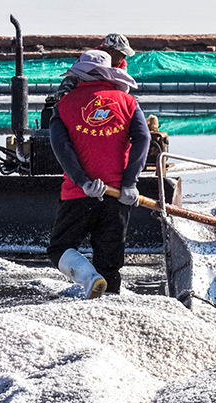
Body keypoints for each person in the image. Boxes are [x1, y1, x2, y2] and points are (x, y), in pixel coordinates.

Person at [47, 50, 150, 298]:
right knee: (110, 260)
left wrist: (82, 181)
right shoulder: (128, 102)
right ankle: (110, 301)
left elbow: (61, 148)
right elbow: (143, 138)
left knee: (60, 248)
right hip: (117, 197)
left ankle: (90, 279)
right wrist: (129, 184)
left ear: (80, 75)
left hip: (78, 195)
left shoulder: (64, 104)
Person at [42, 34, 135, 127]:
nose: (124, 58)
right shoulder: (89, 58)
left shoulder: (121, 66)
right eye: (122, 54)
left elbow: (121, 91)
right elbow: (74, 75)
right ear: (112, 52)